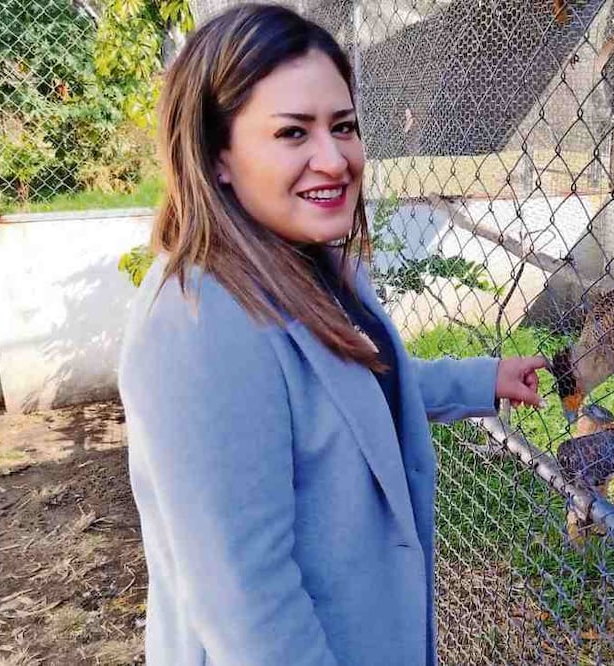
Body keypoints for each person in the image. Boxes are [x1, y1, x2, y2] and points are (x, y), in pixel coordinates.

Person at [117, 4, 547, 665]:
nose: (334, 158)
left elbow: (340, 394)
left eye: (342, 126)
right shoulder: (198, 321)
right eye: (293, 133)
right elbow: (247, 600)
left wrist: (476, 380)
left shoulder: (307, 263)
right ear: (217, 156)